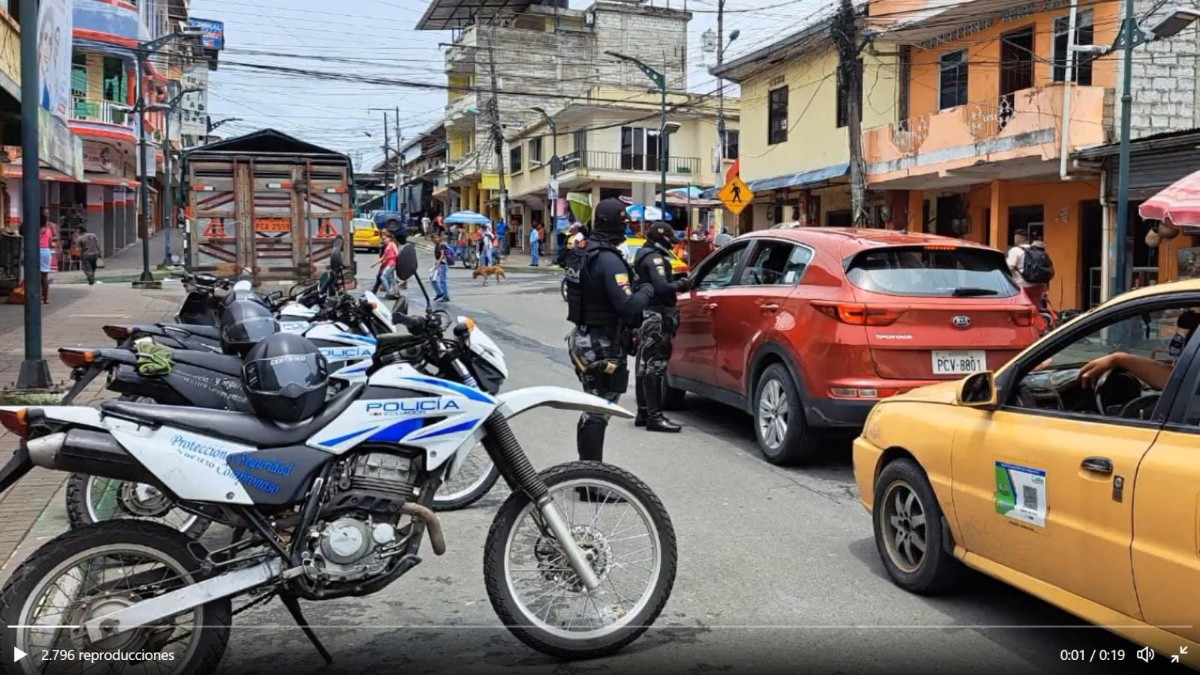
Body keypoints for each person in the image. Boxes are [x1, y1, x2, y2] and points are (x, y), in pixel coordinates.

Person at [565, 198, 655, 490]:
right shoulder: (608, 259)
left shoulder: (584, 251)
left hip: (584, 336)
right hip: (600, 342)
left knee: (592, 408)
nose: (626, 225)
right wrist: (646, 289)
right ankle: (591, 482)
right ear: (611, 223)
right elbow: (628, 307)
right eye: (623, 220)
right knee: (598, 411)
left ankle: (585, 474)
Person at [633, 222, 693, 432]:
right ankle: (654, 417)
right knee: (655, 366)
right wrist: (682, 284)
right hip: (658, 315)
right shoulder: (655, 257)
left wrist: (674, 279)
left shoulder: (642, 253)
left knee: (643, 364)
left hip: (646, 313)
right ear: (662, 238)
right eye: (670, 240)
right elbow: (662, 287)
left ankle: (643, 412)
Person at [38, 209, 56, 304]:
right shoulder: (48, 229)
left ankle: (37, 296)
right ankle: (46, 298)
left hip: (37, 251)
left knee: (35, 276)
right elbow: (50, 243)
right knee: (44, 276)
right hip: (46, 251)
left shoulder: (37, 228)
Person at [431, 232, 451, 302]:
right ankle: (439, 293)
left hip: (442, 265)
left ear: (439, 238)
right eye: (434, 238)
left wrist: (438, 264)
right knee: (432, 279)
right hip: (438, 264)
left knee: (442, 280)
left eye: (436, 237)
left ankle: (445, 296)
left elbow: (442, 255)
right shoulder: (437, 245)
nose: (435, 239)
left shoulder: (441, 245)